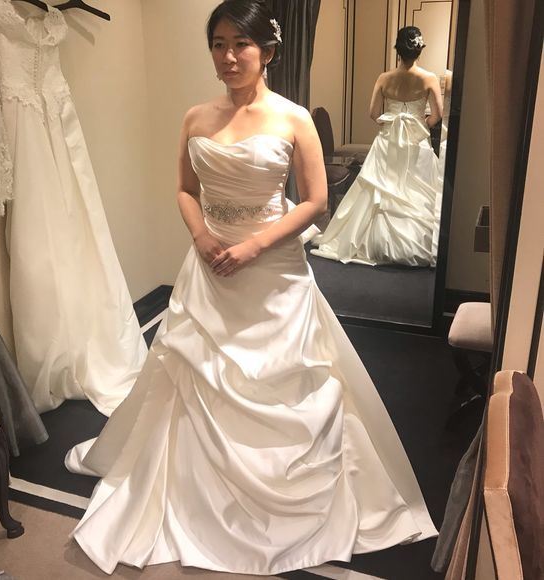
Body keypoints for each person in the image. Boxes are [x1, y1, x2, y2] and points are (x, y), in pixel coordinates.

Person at [65, 3, 437, 575]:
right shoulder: (195, 116)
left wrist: (254, 246)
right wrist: (201, 236)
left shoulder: (293, 118)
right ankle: (194, 491)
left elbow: (316, 201)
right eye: (218, 44)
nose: (228, 56)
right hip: (209, 265)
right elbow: (184, 189)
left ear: (267, 51)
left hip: (272, 268)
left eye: (240, 44)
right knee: (193, 374)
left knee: (289, 378)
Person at [311, 26, 444, 267]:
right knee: (416, 192)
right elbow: (437, 115)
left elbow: (373, 112)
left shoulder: (384, 78)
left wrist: (391, 124)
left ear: (397, 50)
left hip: (387, 141)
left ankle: (372, 243)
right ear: (419, 50)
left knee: (379, 191)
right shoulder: (429, 78)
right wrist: (418, 126)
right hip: (416, 142)